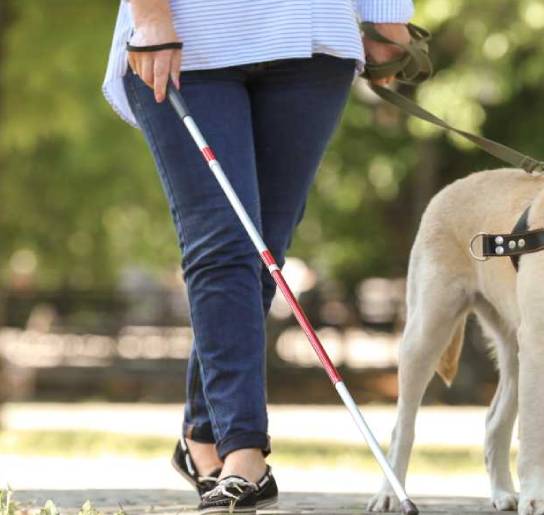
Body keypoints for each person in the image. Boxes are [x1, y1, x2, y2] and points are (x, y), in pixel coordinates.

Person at [102, 1, 414, 512]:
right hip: (190, 34)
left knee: (260, 254)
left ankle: (203, 438)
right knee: (224, 245)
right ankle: (245, 454)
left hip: (313, 39)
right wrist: (151, 15)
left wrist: (386, 14)